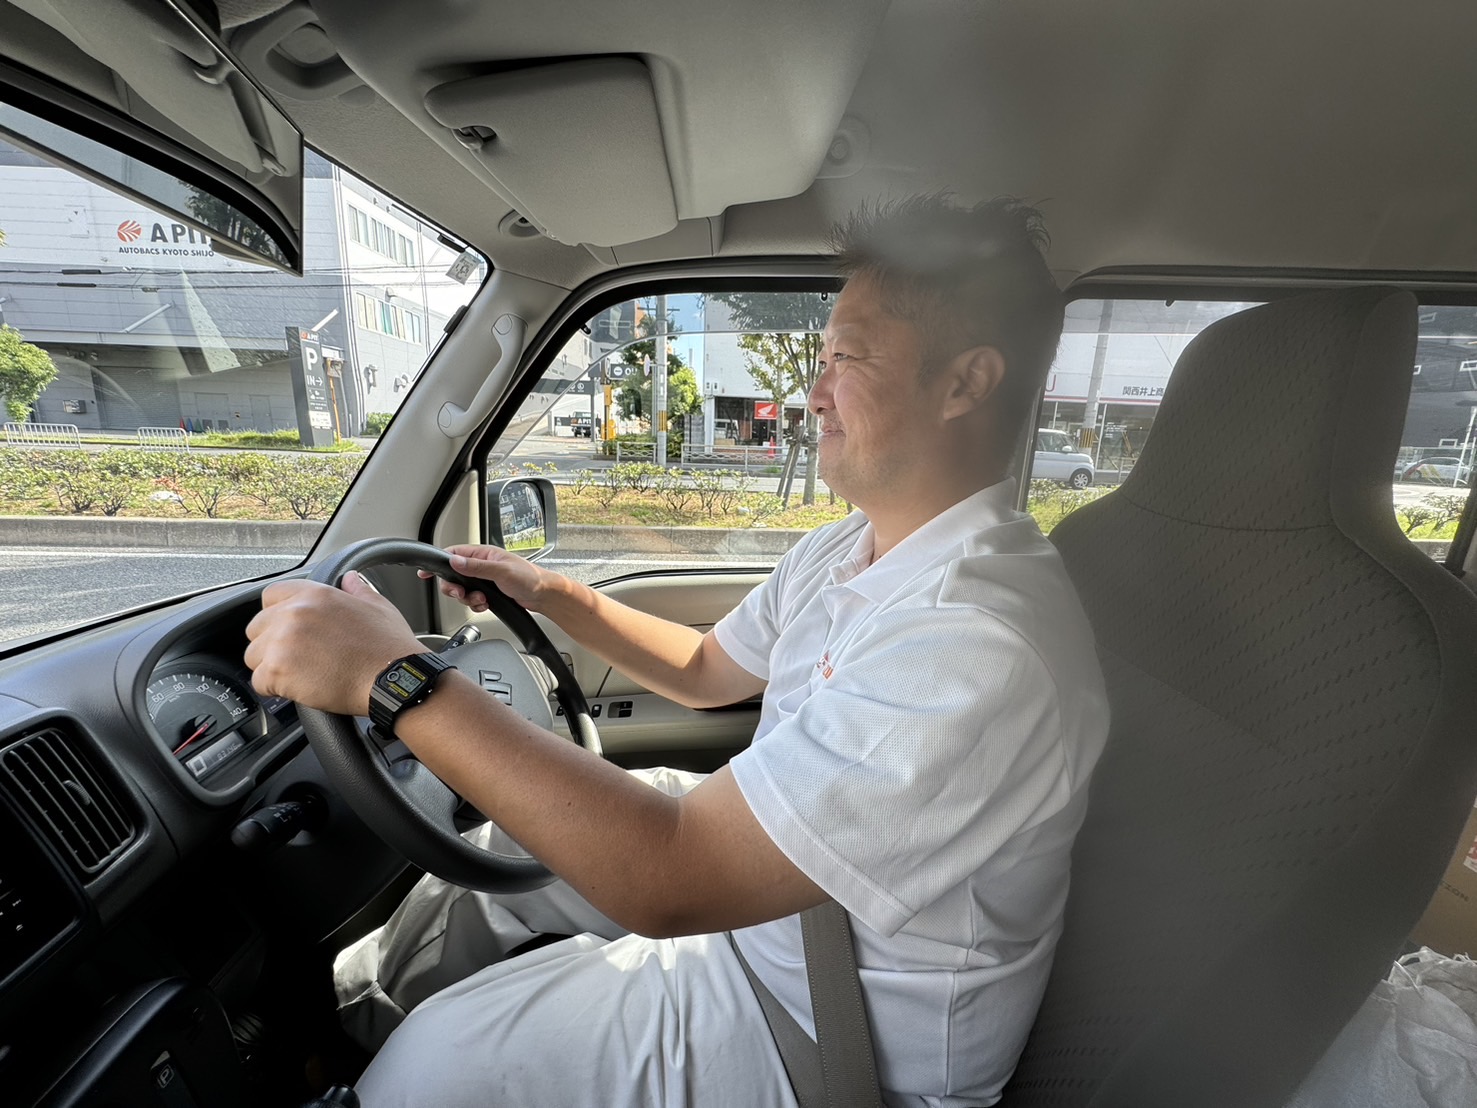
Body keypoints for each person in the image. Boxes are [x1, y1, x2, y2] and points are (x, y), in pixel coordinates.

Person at [244, 195, 1109, 1107]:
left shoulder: (978, 641)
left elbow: (675, 879)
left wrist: (391, 677)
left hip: (832, 1033)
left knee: (444, 1060)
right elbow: (706, 672)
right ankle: (342, 1038)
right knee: (500, 865)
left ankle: (383, 1071)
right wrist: (550, 593)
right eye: (820, 359)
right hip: (790, 905)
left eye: (846, 359)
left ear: (963, 384)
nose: (812, 392)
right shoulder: (853, 545)